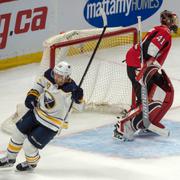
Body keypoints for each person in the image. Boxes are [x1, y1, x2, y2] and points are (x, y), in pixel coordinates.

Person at [0, 61, 84, 171]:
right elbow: (39, 86)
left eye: (60, 76)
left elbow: (80, 108)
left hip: (52, 123)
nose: (56, 77)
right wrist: (31, 96)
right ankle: (9, 159)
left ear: (67, 77)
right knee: (17, 133)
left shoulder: (72, 90)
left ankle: (31, 163)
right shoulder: (49, 75)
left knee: (28, 146)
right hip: (37, 112)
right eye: (56, 74)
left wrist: (79, 98)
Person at [113, 10, 178, 141]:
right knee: (146, 100)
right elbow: (151, 48)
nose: (177, 22)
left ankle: (145, 121)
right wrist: (144, 69)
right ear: (169, 21)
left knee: (152, 95)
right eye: (175, 20)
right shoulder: (165, 32)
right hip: (139, 66)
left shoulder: (160, 29)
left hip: (138, 64)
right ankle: (123, 126)